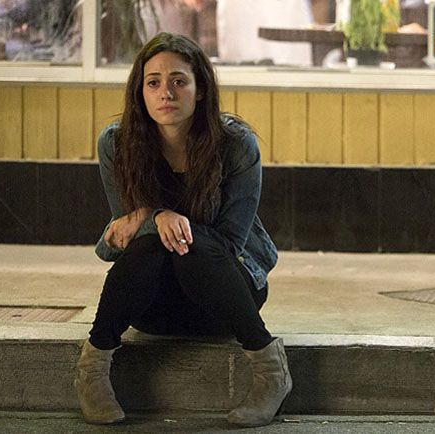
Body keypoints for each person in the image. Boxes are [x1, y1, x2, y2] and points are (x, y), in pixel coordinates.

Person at [74, 32, 291, 428]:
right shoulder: (117, 144)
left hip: (224, 300)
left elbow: (230, 244)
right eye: (153, 82)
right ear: (140, 91)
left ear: (200, 89)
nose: (166, 93)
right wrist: (155, 217)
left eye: (179, 81)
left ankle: (271, 374)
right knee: (150, 248)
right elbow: (122, 237)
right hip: (153, 309)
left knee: (187, 246)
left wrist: (162, 220)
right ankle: (92, 372)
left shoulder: (236, 144)